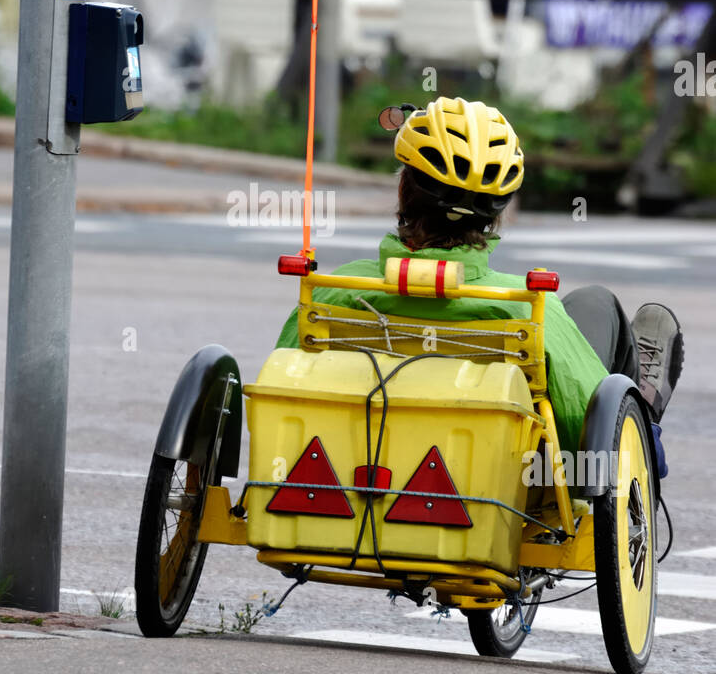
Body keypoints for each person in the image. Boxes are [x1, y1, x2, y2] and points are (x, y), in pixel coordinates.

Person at [276, 96, 683, 464]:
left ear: (403, 189)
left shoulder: (332, 292)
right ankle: (646, 419)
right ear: (496, 213)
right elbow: (590, 454)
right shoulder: (530, 312)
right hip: (506, 483)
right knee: (596, 304)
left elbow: (280, 399)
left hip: (339, 470)